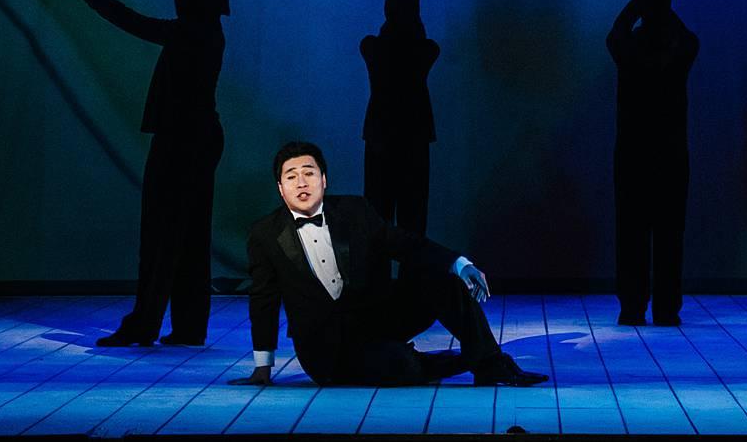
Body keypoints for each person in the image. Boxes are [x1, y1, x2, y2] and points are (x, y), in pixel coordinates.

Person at [231, 141, 548, 387]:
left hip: (376, 317)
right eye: (292, 177)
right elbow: (264, 300)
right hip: (329, 348)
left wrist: (458, 263)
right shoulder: (265, 233)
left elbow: (405, 245)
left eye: (309, 173)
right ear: (280, 188)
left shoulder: (354, 210)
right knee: (403, 367)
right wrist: (263, 366)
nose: (302, 183)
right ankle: (461, 360)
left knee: (440, 278)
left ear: (324, 180)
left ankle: (489, 364)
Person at [69, 0, 228, 348]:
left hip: (181, 141)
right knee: (189, 237)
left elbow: (134, 22)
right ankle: (189, 325)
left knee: (162, 234)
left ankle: (145, 323)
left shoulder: (191, 33)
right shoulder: (206, 33)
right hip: (198, 138)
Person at [606, 0, 698, 326]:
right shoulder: (680, 50)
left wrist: (638, 2)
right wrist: (658, 3)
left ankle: (632, 306)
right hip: (671, 154)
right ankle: (666, 308)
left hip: (632, 154)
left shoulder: (630, 48)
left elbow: (616, 31)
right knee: (670, 234)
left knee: (631, 233)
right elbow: (687, 38)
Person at [360, 0, 440, 240]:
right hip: (413, 137)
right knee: (413, 218)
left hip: (380, 136)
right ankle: (412, 278)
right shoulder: (426, 50)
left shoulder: (372, 46)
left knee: (378, 215)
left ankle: (375, 278)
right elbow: (423, 50)